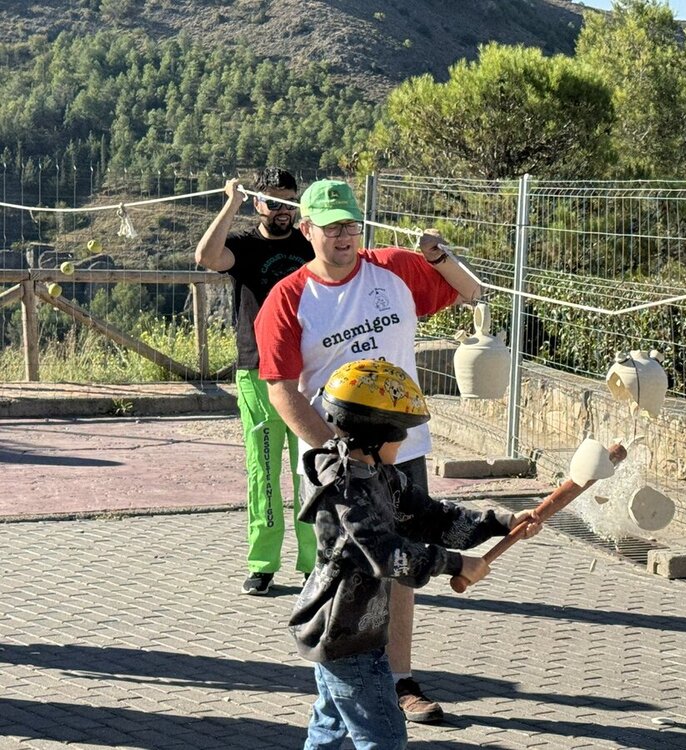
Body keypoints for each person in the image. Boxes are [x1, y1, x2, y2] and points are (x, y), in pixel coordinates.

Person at [255, 178, 482, 722]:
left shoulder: (396, 268)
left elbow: (471, 293)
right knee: (347, 568)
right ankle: (340, 683)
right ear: (305, 229)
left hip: (403, 450)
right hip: (336, 461)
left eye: (351, 226)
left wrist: (440, 256)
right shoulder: (287, 298)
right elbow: (281, 387)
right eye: (331, 227)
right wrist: (337, 453)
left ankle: (399, 680)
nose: (343, 237)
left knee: (400, 565)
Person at [290, 359, 540, 749]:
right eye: (400, 435)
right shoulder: (344, 493)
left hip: (356, 631)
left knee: (330, 726)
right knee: (384, 736)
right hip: (345, 634)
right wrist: (455, 563)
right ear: (375, 434)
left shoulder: (381, 476)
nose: (404, 443)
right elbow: (388, 555)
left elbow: (433, 517)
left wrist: (501, 523)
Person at [195, 167, 316, 595]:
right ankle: (263, 562)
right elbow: (207, 258)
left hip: (310, 372)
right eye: (273, 201)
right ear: (257, 202)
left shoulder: (309, 245)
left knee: (313, 472)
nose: (282, 210)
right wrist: (231, 203)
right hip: (257, 370)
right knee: (263, 469)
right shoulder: (245, 247)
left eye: (289, 201)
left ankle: (313, 563)